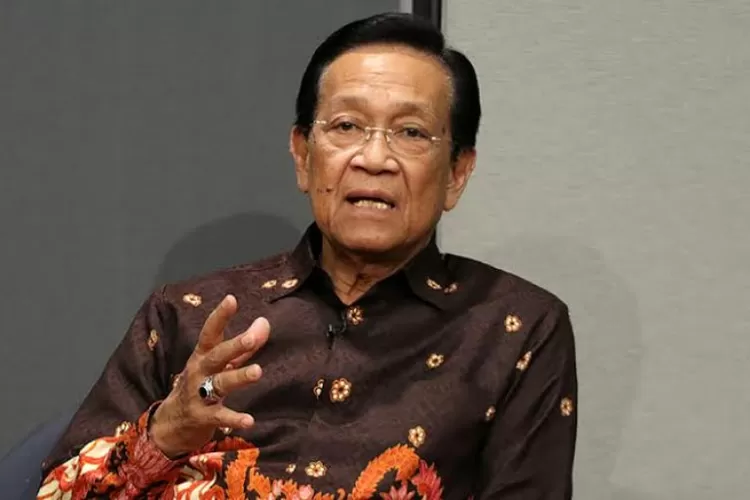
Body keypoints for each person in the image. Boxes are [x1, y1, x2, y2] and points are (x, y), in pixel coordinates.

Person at [37, 12, 577, 500]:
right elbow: (55, 492)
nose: (374, 158)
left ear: (457, 173)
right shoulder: (187, 313)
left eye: (410, 132)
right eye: (346, 126)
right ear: (302, 155)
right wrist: (167, 433)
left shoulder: (515, 330)